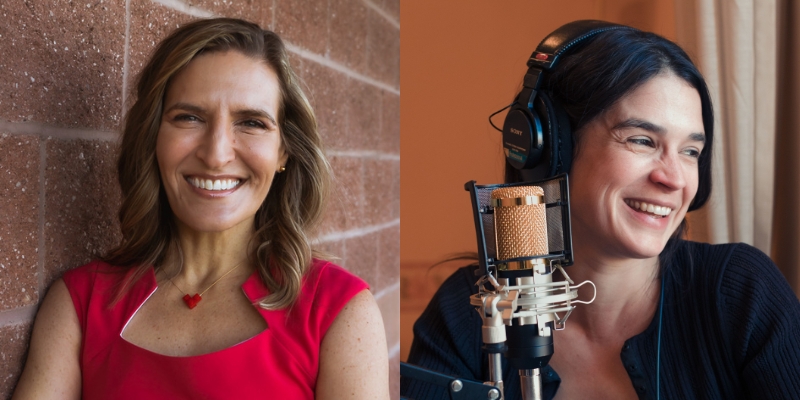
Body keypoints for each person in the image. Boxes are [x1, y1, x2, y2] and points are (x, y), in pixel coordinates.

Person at [403, 22, 800, 399]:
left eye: (691, 151)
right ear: (555, 149)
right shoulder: (468, 311)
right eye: (642, 140)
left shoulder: (743, 294)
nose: (674, 179)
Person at [13, 18, 389, 400]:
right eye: (189, 118)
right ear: (153, 137)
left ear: (283, 152)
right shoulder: (80, 304)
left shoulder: (337, 312)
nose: (216, 154)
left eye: (251, 122)